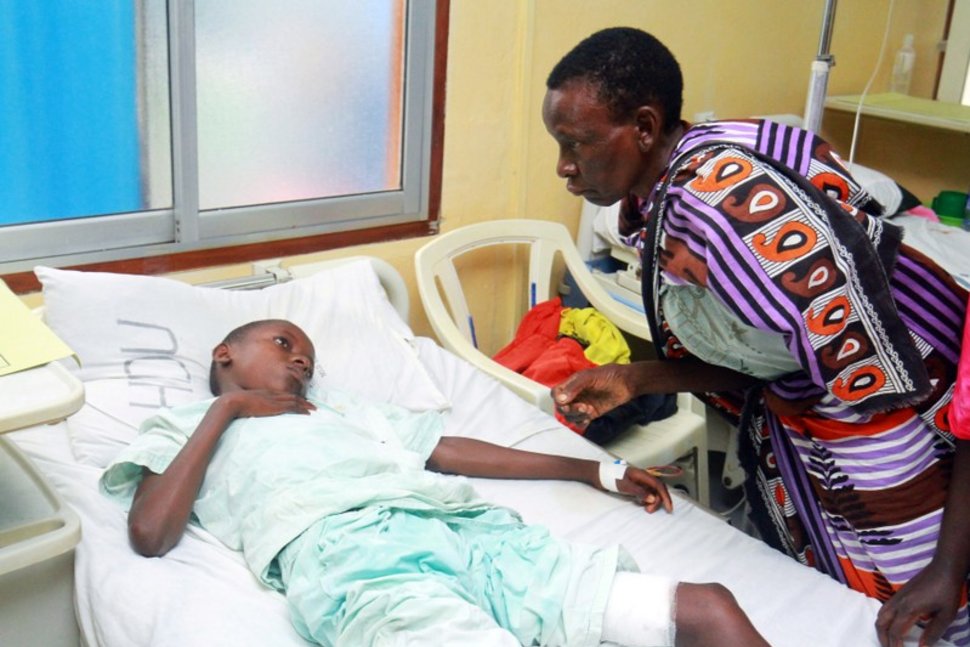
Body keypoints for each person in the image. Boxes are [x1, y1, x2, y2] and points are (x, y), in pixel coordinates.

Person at [542, 27, 970, 647]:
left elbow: (952, 405)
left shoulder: (727, 204)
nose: (563, 164)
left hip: (901, 439)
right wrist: (635, 379)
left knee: (921, 619)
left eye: (576, 142)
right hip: (831, 436)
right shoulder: (668, 203)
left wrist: (948, 568)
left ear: (642, 126)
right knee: (849, 612)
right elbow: (777, 364)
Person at [100, 318, 770, 647]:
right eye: (283, 343)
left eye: (307, 351)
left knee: (710, 605)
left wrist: (596, 467)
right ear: (225, 355)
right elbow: (151, 531)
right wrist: (228, 410)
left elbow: (448, 450)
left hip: (465, 532)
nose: (302, 356)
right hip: (353, 559)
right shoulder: (189, 423)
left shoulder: (344, 410)